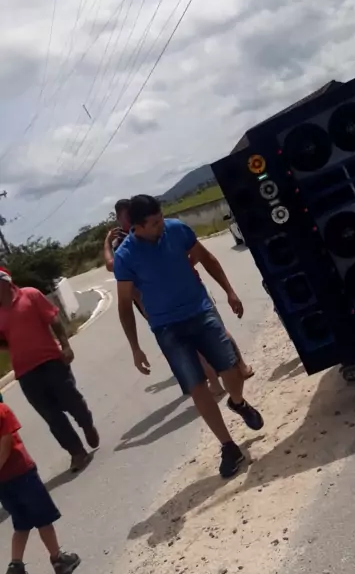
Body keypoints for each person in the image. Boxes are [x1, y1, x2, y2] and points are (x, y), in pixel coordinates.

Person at [114, 195, 264, 479]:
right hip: (167, 328)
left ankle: (238, 402)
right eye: (155, 222)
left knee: (231, 369)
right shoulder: (125, 256)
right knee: (197, 387)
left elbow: (207, 259)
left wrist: (230, 292)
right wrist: (135, 347)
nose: (162, 224)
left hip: (200, 312)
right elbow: (124, 304)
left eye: (161, 217)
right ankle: (228, 446)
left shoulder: (177, 230)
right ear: (138, 227)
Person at [105, 198, 254, 396]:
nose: (124, 221)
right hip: (159, 311)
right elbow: (116, 274)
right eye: (122, 218)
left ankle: (239, 367)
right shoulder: (123, 246)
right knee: (195, 351)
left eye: (125, 216)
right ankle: (215, 382)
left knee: (219, 332)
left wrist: (186, 265)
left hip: (194, 297)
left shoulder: (166, 229)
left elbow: (202, 255)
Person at [0, 268, 98, 473]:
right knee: (51, 416)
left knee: (71, 400)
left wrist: (66, 346)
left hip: (51, 361)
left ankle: (86, 424)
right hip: (25, 373)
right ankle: (77, 452)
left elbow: (54, 320)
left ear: (5, 281)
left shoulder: (30, 295)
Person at [0, 396, 80, 574]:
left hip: (3, 485)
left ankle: (16, 565)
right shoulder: (2, 411)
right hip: (22, 474)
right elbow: (6, 442)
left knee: (21, 524)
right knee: (44, 520)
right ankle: (58, 559)